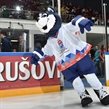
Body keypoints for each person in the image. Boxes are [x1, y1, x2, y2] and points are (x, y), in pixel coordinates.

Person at [31, 7, 109, 107]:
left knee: (90, 76)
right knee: (75, 81)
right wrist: (37, 55)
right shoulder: (49, 42)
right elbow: (45, 51)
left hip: (79, 56)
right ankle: (83, 94)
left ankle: (100, 91)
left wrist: (82, 21)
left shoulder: (65, 29)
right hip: (66, 64)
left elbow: (74, 23)